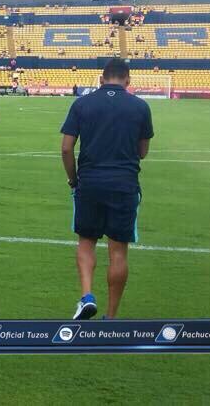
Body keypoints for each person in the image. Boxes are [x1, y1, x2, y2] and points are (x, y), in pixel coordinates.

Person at [60, 58, 153, 320]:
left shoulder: (82, 104)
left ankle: (87, 296)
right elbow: (143, 152)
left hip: (89, 182)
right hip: (124, 184)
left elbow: (66, 148)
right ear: (128, 80)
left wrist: (73, 179)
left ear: (101, 79)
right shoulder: (140, 107)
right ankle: (111, 317)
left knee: (86, 241)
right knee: (118, 250)